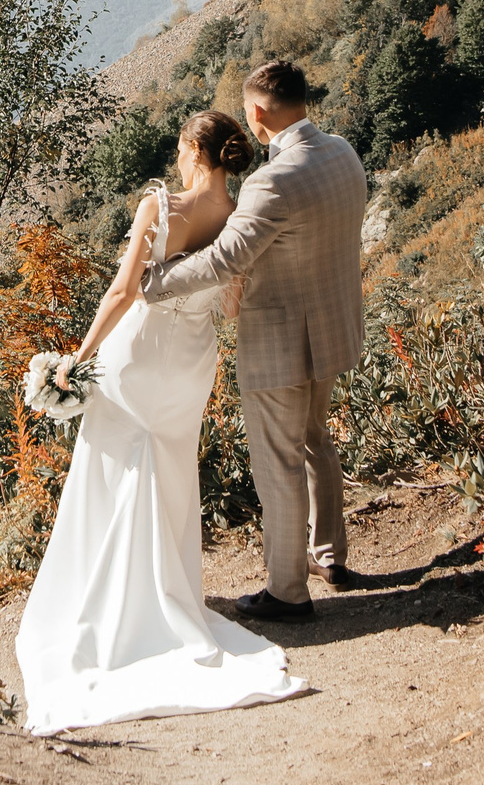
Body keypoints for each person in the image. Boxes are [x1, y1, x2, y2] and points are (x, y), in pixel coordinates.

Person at [13, 109, 309, 735]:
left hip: (138, 357)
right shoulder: (240, 219)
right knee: (169, 468)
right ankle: (167, 596)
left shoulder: (162, 208)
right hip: (191, 365)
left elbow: (122, 293)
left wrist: (77, 358)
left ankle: (114, 604)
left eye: (180, 148)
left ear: (195, 152)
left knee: (112, 469)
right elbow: (229, 303)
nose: (176, 159)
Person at [141, 59, 369, 623]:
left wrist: (158, 284)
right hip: (334, 327)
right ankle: (329, 557)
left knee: (277, 465)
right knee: (315, 440)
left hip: (281, 341)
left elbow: (225, 259)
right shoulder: (343, 153)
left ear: (258, 112)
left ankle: (288, 592)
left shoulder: (274, 180)